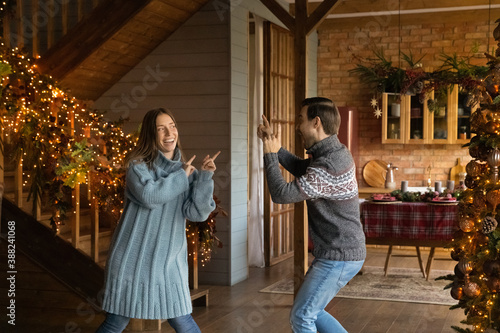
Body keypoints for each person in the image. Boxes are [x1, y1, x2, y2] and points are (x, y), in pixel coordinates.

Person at [97, 107, 219, 333]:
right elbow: (150, 196)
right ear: (150, 135)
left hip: (168, 263)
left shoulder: (185, 171)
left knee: (183, 321)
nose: (168, 133)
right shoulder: (138, 165)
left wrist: (204, 178)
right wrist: (182, 176)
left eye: (172, 126)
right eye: (160, 129)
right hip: (132, 261)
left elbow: (196, 213)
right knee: (116, 323)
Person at [258, 97, 366, 333]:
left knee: (302, 315)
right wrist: (276, 148)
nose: (297, 126)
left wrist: (268, 156)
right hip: (339, 251)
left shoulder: (329, 164)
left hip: (339, 254)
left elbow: (281, 194)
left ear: (316, 122)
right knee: (311, 311)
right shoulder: (333, 153)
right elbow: (304, 170)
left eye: (300, 119)